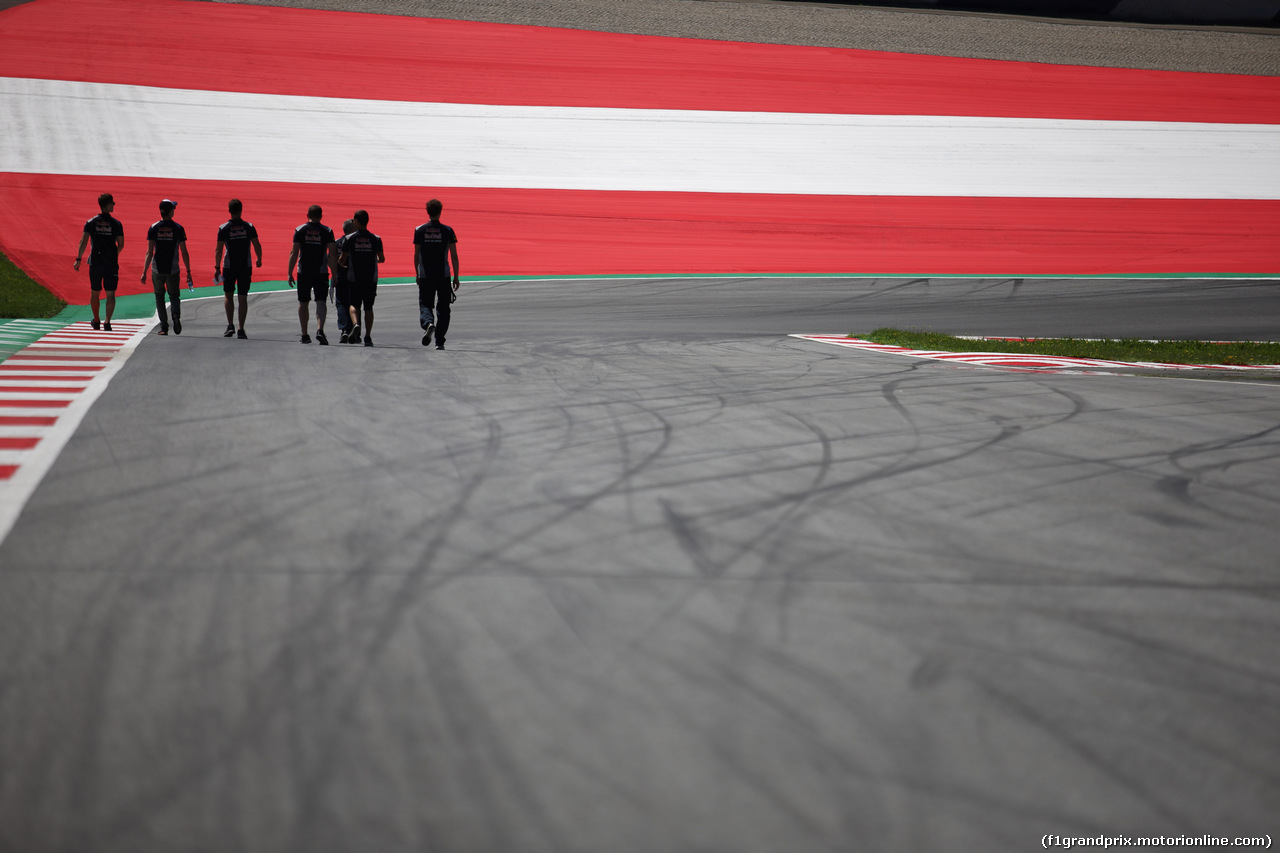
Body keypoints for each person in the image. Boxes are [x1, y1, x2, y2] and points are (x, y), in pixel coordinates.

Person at [412, 198, 460, 350]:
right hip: (443, 275)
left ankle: (429, 323)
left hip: (426, 275)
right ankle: (440, 341)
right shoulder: (448, 230)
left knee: (425, 304)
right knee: (444, 308)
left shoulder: (419, 230)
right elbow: (454, 255)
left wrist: (417, 273)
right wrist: (456, 276)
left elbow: (416, 254)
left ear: (428, 211)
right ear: (440, 211)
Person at [141, 199, 192, 336]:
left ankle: (164, 326)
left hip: (157, 268)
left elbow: (149, 251)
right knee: (174, 295)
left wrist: (144, 271)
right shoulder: (178, 228)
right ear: (170, 211)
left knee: (159, 297)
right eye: (173, 209)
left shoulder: (154, 227)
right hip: (173, 268)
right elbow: (184, 251)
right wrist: (188, 271)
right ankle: (175, 315)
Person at [74, 192, 124, 332]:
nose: (114, 205)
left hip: (96, 261)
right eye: (112, 203)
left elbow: (83, 241)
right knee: (110, 293)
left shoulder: (91, 222)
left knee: (95, 292)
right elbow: (121, 243)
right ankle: (107, 322)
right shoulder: (116, 224)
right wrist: (114, 254)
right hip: (111, 263)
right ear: (107, 205)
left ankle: (96, 320)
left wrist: (78, 259)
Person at [287, 205, 336, 344]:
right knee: (321, 301)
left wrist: (289, 272)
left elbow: (294, 252)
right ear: (321, 216)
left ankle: (304, 334)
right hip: (321, 272)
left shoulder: (300, 230)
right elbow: (332, 254)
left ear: (307, 214)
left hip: (304, 272)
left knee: (303, 302)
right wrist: (335, 273)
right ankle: (320, 330)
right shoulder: (327, 231)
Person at [215, 198, 262, 339]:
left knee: (228, 295)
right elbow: (257, 244)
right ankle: (241, 328)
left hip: (228, 266)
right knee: (243, 297)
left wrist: (217, 267)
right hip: (245, 266)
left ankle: (230, 325)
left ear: (229, 211)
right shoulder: (249, 226)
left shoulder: (223, 228)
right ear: (241, 210)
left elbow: (218, 250)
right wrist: (259, 258)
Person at [337, 210, 384, 346]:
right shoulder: (376, 238)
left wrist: (341, 263)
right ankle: (368, 336)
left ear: (357, 222)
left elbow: (342, 258)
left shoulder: (349, 238)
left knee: (353, 305)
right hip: (370, 279)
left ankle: (356, 324)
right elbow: (382, 258)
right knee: (368, 308)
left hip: (354, 278)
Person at [333, 219, 357, 343]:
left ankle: (345, 330)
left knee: (342, 303)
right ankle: (354, 330)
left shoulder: (336, 243)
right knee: (354, 304)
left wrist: (334, 275)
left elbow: (331, 260)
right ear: (352, 230)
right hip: (354, 277)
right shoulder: (354, 242)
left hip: (340, 277)